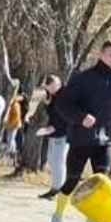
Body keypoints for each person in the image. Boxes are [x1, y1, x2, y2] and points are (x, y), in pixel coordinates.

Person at [49, 40, 111, 222]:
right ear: (101, 55)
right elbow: (62, 103)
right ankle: (58, 219)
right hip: (81, 139)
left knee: (102, 186)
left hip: (105, 141)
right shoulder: (84, 79)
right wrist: (81, 118)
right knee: (72, 181)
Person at [34, 73, 66, 201]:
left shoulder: (64, 96)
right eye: (46, 88)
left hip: (62, 133)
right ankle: (55, 188)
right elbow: (52, 113)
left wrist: (52, 128)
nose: (48, 90)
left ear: (55, 84)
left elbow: (64, 117)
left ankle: (58, 190)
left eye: (49, 87)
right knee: (52, 160)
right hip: (53, 132)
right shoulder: (52, 96)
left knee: (58, 162)